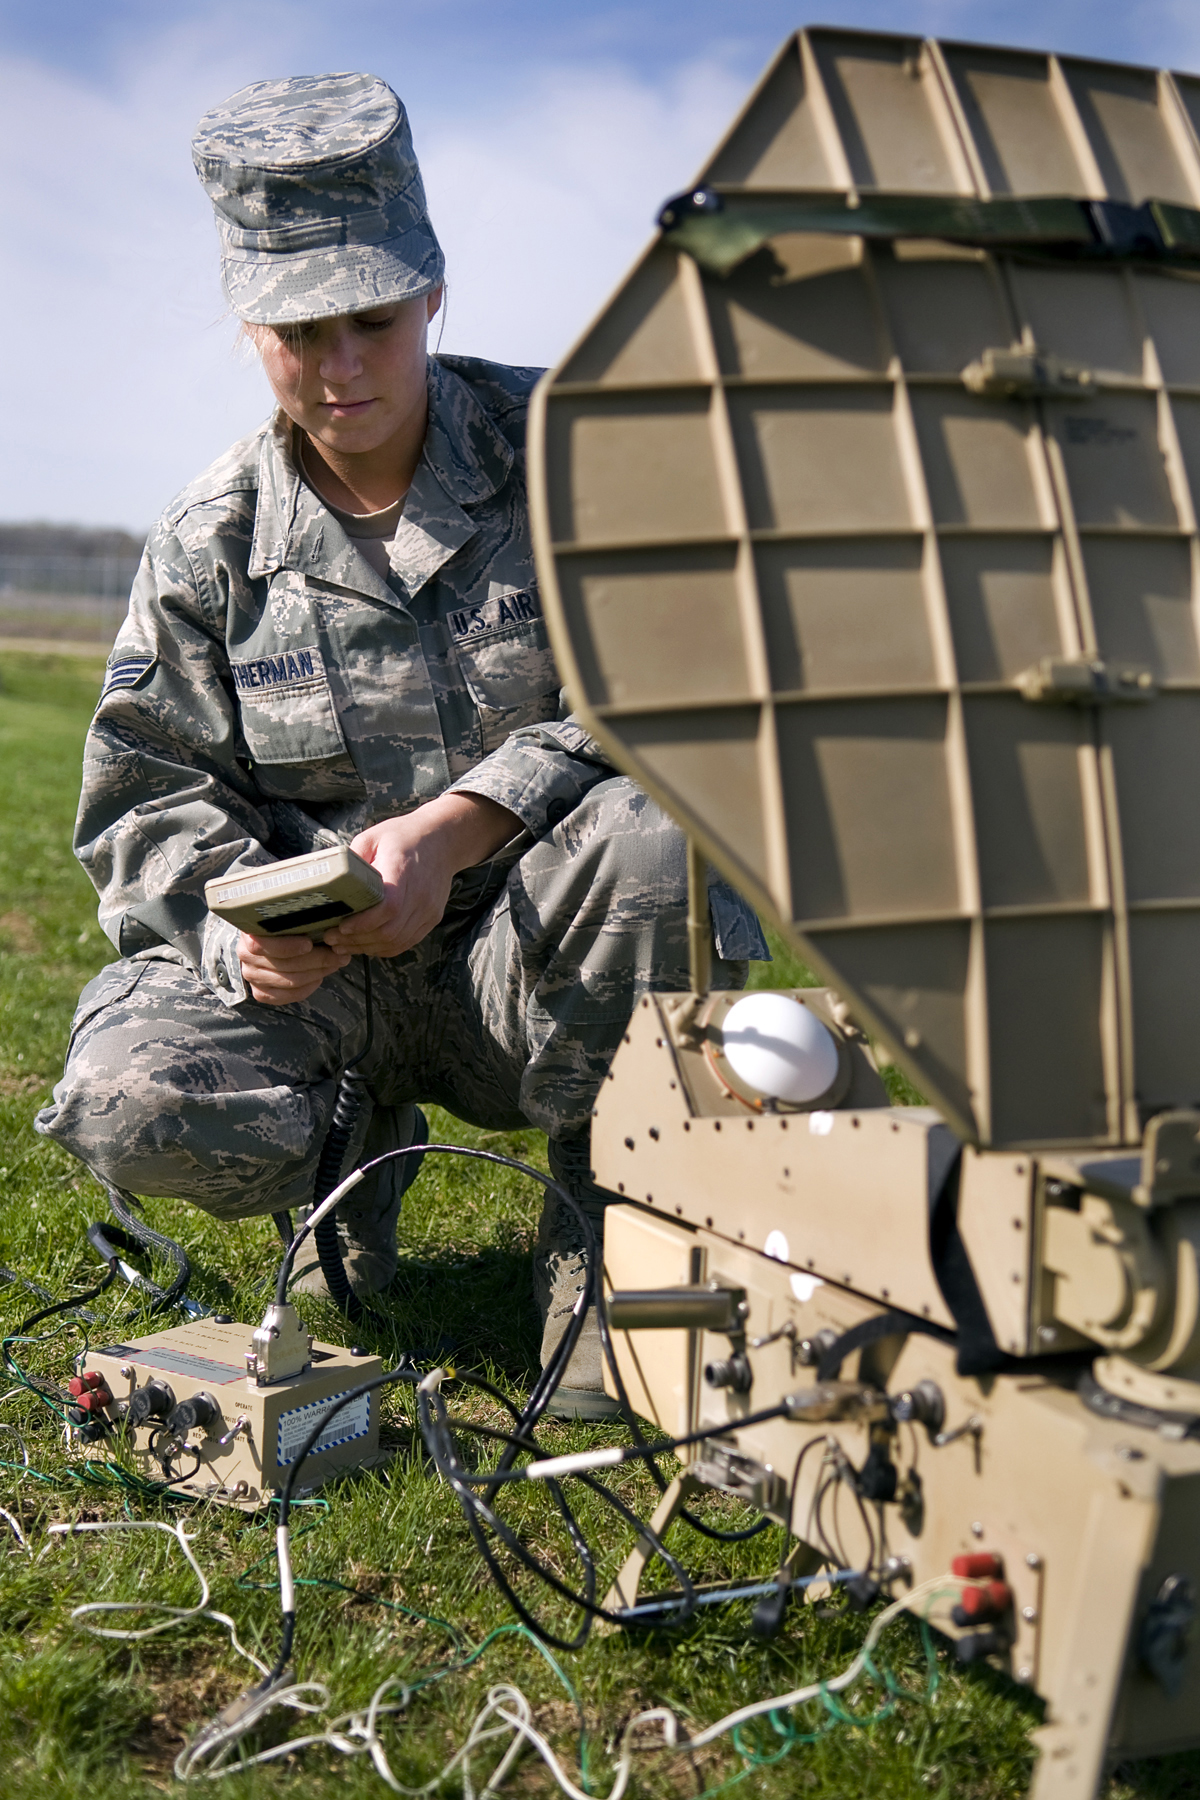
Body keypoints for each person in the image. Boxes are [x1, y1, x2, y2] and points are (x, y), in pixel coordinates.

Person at [35, 73, 765, 1418]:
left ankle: (606, 1228)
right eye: (296, 332)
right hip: (329, 997)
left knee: (669, 840)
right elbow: (144, 793)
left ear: (433, 294)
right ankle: (340, 1172)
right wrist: (239, 932)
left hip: (535, 963)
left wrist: (468, 822)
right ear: (250, 328)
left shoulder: (569, 459)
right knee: (129, 1094)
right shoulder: (212, 542)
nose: (340, 367)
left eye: (371, 319)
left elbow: (692, 685)